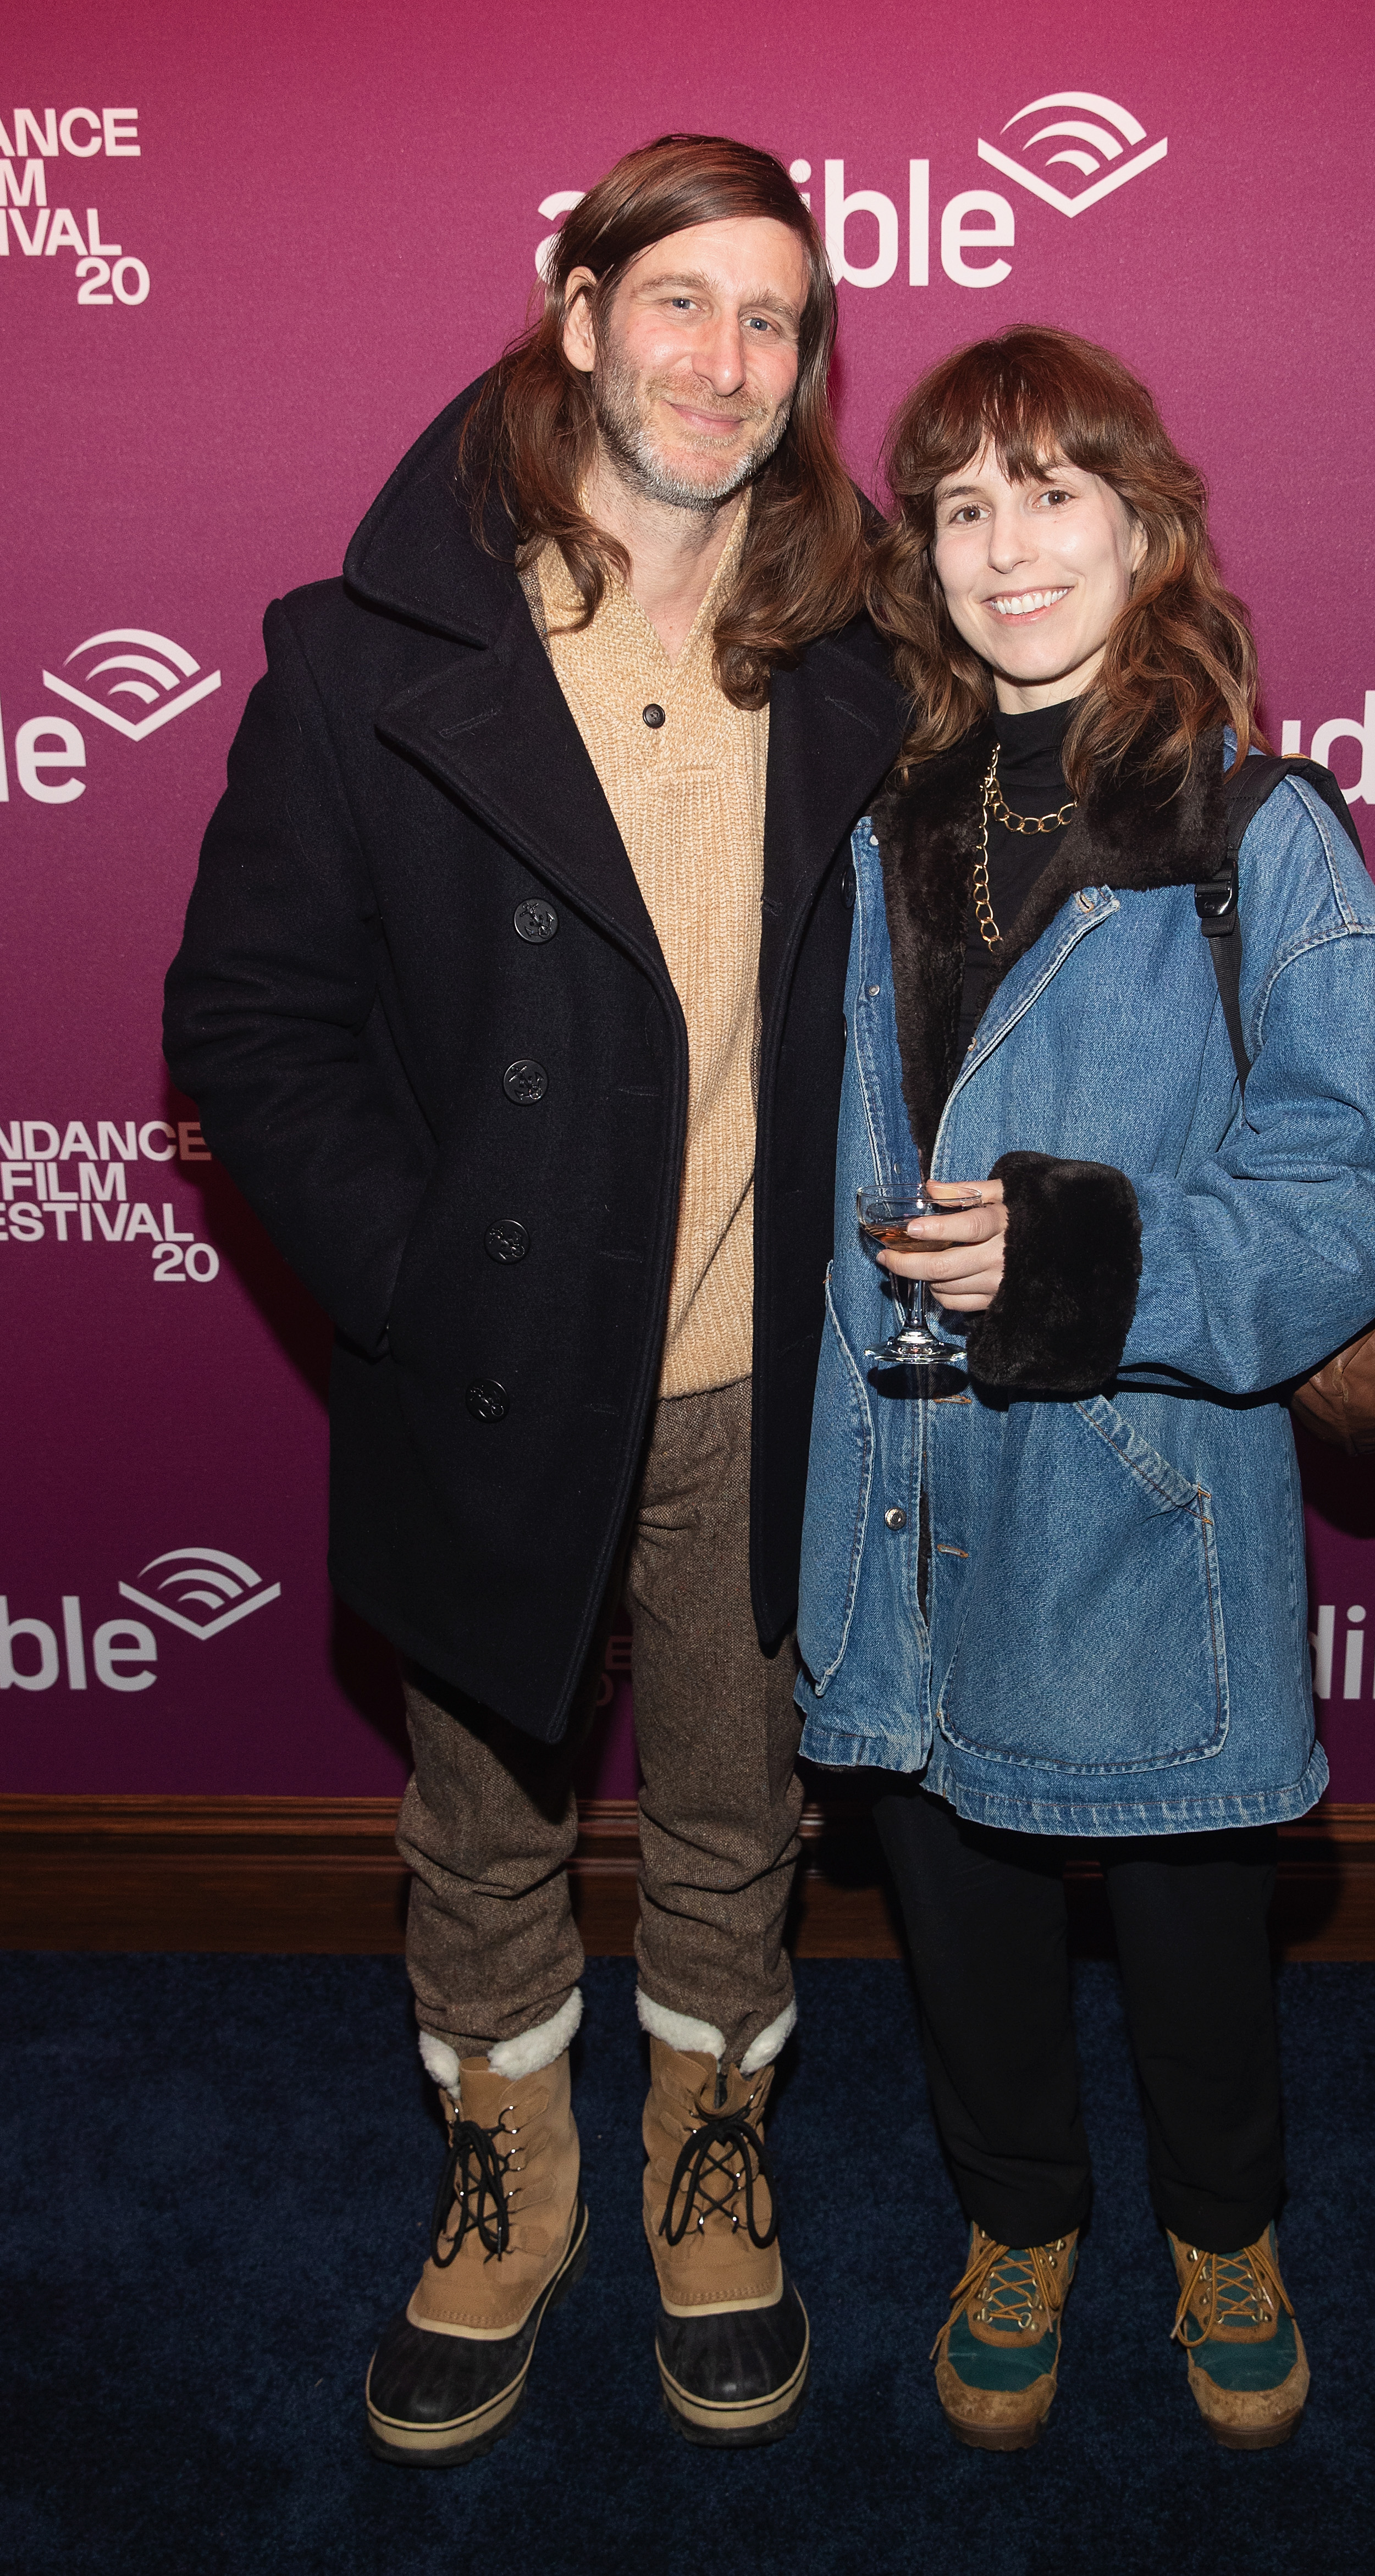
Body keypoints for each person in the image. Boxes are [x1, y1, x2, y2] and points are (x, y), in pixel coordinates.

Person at [164, 134, 905, 2462]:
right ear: (577, 317)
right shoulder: (365, 653)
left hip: (763, 1373)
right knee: (480, 1820)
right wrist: (407, 1281)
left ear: (804, 373)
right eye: (678, 300)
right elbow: (248, 1021)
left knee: (733, 1807)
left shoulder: (863, 659)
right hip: (487, 1364)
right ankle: (505, 2175)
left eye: (772, 319)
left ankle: (707, 2152)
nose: (725, 357)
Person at [794, 327, 1375, 2453]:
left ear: (1147, 525)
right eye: (962, 508)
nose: (1007, 550)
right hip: (898, 1468)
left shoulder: (1255, 832)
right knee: (954, 1885)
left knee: (1186, 1901)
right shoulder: (876, 814)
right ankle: (1017, 2230)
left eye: (1052, 495)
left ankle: (1225, 2236)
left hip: (1147, 1473)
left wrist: (1098, 1253)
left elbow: (1369, 1177)